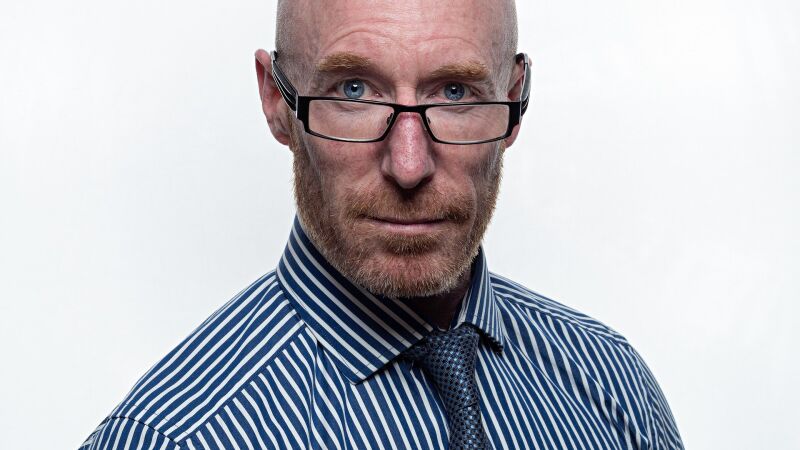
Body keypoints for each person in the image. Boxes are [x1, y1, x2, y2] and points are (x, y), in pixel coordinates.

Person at [80, 0, 683, 448]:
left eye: (455, 92)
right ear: (276, 101)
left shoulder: (613, 388)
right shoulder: (173, 437)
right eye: (354, 90)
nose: (409, 165)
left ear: (515, 98)